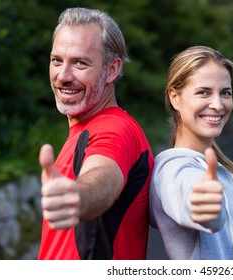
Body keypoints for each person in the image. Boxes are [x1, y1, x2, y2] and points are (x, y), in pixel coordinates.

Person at [37, 7, 153, 260]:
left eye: (80, 63)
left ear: (112, 69)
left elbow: (103, 176)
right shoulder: (83, 130)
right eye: (57, 60)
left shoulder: (115, 129)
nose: (63, 76)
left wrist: (76, 197)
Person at [149, 46, 233, 260]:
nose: (217, 105)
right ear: (175, 98)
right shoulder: (172, 169)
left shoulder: (220, 170)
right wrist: (203, 206)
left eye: (225, 93)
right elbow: (185, 193)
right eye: (203, 92)